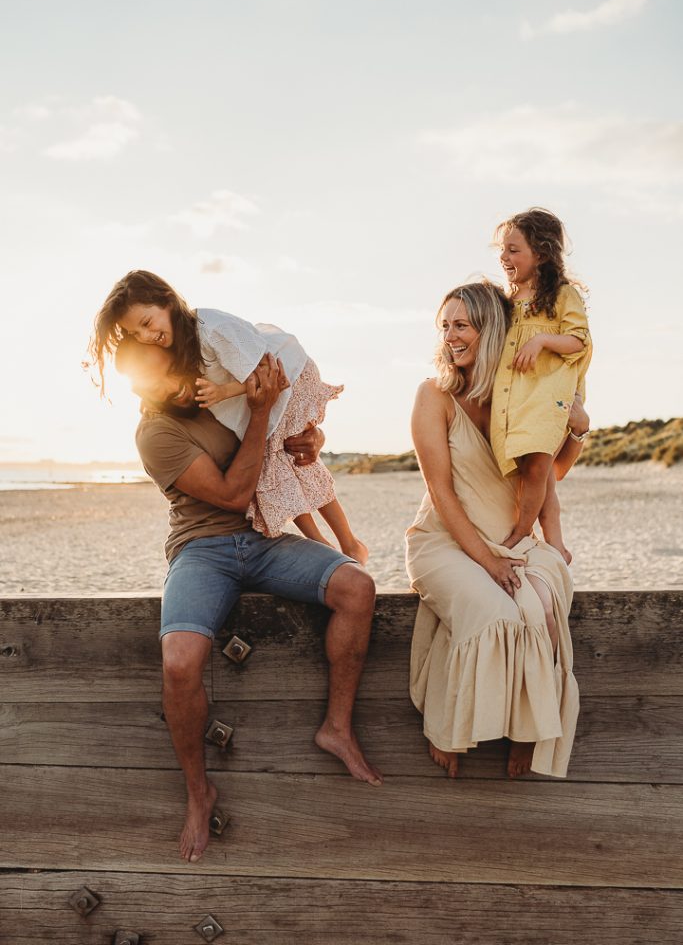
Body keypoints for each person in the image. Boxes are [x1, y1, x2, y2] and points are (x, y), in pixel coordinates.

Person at [108, 336, 383, 864]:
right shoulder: (155, 432)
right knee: (180, 660)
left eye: (163, 368)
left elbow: (286, 433)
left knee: (359, 588)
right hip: (200, 550)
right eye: (146, 378)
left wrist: (312, 437)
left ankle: (337, 728)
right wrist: (259, 413)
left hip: (264, 539)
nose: (164, 383)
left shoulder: (219, 394)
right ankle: (198, 792)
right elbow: (234, 493)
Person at [406, 281, 588, 780]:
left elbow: (545, 478)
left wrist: (575, 430)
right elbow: (442, 493)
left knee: (542, 608)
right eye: (444, 326)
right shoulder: (434, 396)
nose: (451, 337)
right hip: (444, 540)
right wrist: (487, 563)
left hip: (508, 538)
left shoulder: (519, 399)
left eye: (462, 325)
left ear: (491, 331)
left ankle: (528, 729)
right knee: (494, 613)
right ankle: (445, 722)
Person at [90, 270, 368, 564]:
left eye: (146, 324)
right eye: (136, 333)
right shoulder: (176, 366)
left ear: (167, 301)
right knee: (277, 470)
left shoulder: (210, 329)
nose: (147, 337)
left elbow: (270, 374)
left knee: (292, 462)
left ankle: (347, 544)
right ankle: (327, 546)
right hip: (263, 394)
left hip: (286, 377)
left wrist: (225, 393)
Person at [492, 208, 591, 564]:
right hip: (515, 399)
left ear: (543, 253)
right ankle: (557, 543)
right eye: (502, 250)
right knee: (541, 474)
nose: (504, 257)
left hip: (548, 395)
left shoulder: (562, 295)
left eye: (514, 249)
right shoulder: (507, 302)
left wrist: (542, 341)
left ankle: (522, 530)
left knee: (537, 466)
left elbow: (578, 341)